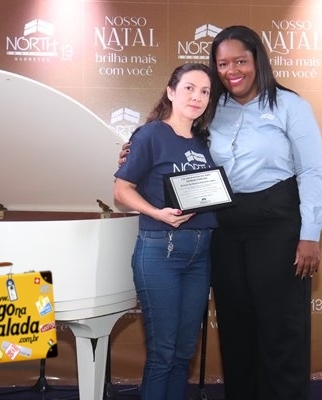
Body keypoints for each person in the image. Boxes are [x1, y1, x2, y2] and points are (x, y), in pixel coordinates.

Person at [119, 25, 322, 400]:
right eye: (222, 63)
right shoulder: (212, 108)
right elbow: (173, 142)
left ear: (257, 60)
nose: (232, 70)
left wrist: (310, 233)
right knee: (235, 326)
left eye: (240, 61)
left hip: (277, 222)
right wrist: (132, 151)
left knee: (281, 327)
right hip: (224, 225)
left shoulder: (291, 106)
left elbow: (312, 171)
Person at [113, 63, 218, 400]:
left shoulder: (204, 142)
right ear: (171, 92)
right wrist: (157, 213)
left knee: (184, 352)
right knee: (163, 353)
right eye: (189, 88)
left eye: (204, 91)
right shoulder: (150, 135)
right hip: (161, 252)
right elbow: (121, 190)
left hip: (200, 256)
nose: (197, 97)